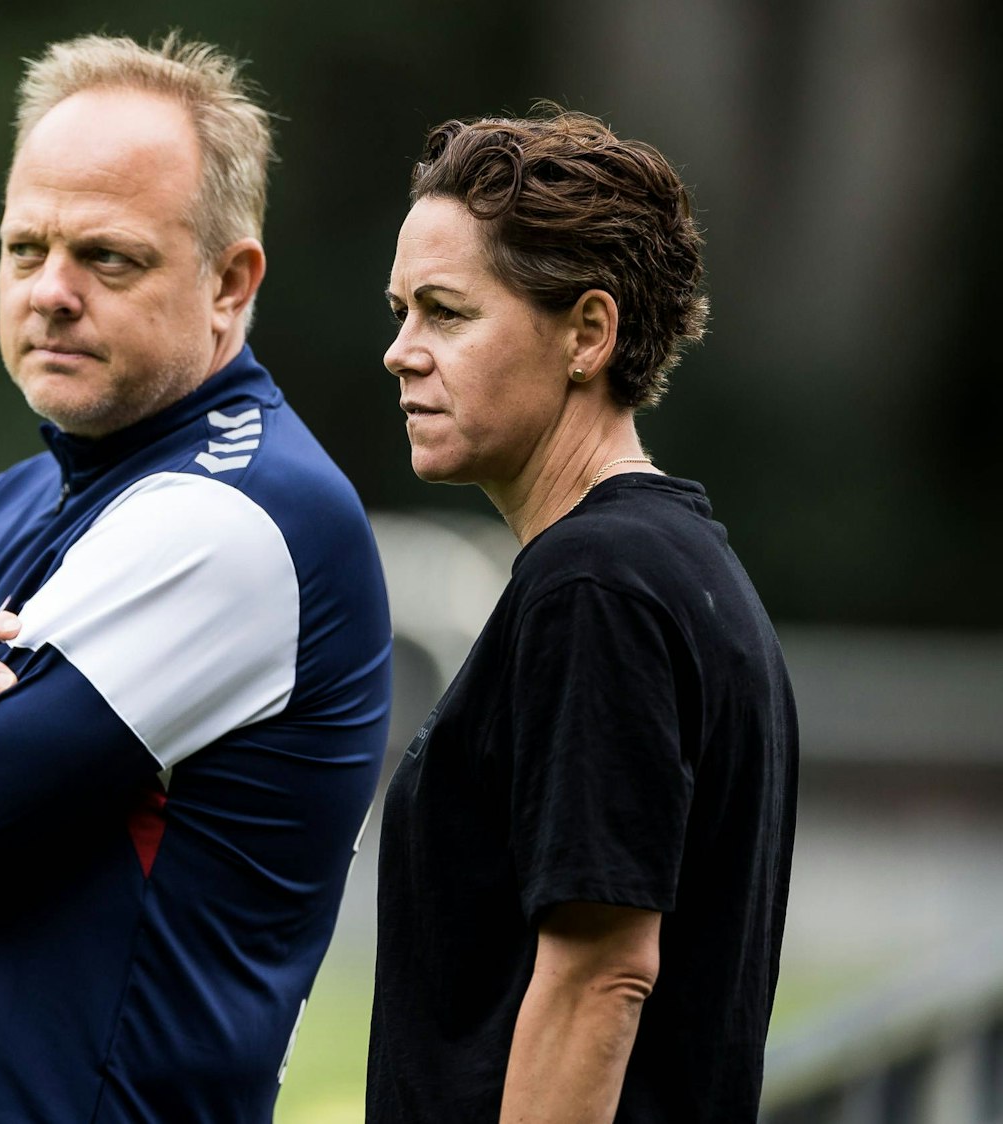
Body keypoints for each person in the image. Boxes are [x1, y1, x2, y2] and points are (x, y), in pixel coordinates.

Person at [0, 33, 393, 1123]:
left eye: (107, 257)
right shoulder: (5, 502)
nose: (51, 291)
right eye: (25, 249)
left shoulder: (238, 513)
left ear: (229, 280)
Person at [367, 107, 798, 1122]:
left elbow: (600, 974)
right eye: (399, 310)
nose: (399, 350)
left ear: (587, 334)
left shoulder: (596, 583)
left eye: (445, 311)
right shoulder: (663, 563)